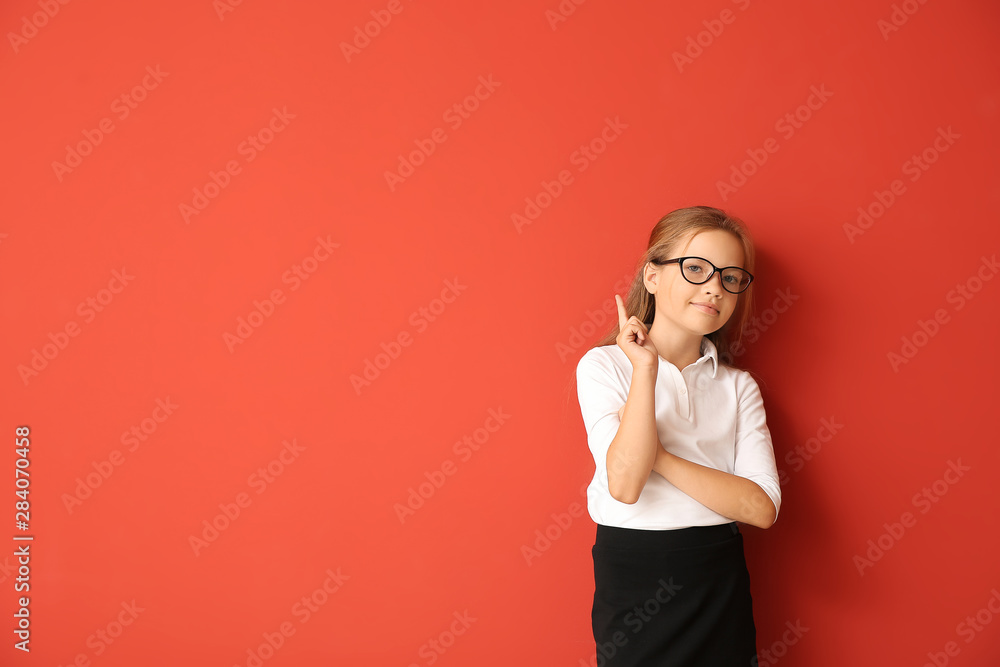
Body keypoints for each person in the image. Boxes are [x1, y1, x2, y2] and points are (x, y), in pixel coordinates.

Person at [575, 205, 781, 666]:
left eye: (731, 277)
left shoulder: (737, 386)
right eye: (695, 269)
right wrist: (645, 368)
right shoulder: (603, 366)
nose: (714, 286)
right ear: (652, 276)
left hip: (717, 577)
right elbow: (625, 486)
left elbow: (761, 508)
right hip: (634, 577)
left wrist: (658, 456)